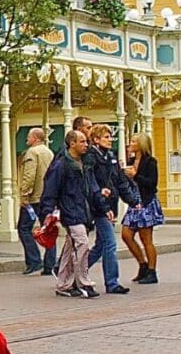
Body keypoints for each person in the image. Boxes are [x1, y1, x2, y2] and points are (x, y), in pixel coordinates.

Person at [40, 129, 107, 299]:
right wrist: (48, 213)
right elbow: (50, 190)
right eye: (82, 141)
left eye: (86, 141)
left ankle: (63, 284)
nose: (86, 145)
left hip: (82, 210)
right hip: (70, 211)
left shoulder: (85, 164)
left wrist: (102, 205)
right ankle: (84, 282)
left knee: (71, 247)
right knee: (82, 243)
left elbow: (92, 188)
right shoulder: (61, 165)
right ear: (72, 143)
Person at [85, 124, 140, 295]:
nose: (110, 140)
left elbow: (120, 182)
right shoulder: (91, 158)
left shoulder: (111, 157)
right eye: (106, 137)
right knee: (110, 243)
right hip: (98, 206)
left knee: (101, 245)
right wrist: (102, 204)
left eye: (110, 136)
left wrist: (132, 201)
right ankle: (112, 282)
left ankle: (73, 270)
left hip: (110, 204)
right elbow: (91, 184)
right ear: (96, 139)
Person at [121, 133, 163, 285]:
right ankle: (142, 264)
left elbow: (152, 183)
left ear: (141, 144)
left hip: (146, 202)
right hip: (134, 203)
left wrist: (135, 175)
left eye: (133, 141)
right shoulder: (131, 161)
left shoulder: (150, 162)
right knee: (126, 234)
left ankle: (152, 270)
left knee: (146, 239)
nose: (130, 144)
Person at [17, 127, 55, 275]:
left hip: (34, 198)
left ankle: (34, 261)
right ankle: (49, 264)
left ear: (35, 138)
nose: (27, 139)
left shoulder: (32, 152)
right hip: (46, 196)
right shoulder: (49, 152)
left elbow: (29, 175)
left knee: (24, 228)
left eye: (28, 136)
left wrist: (24, 195)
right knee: (48, 230)